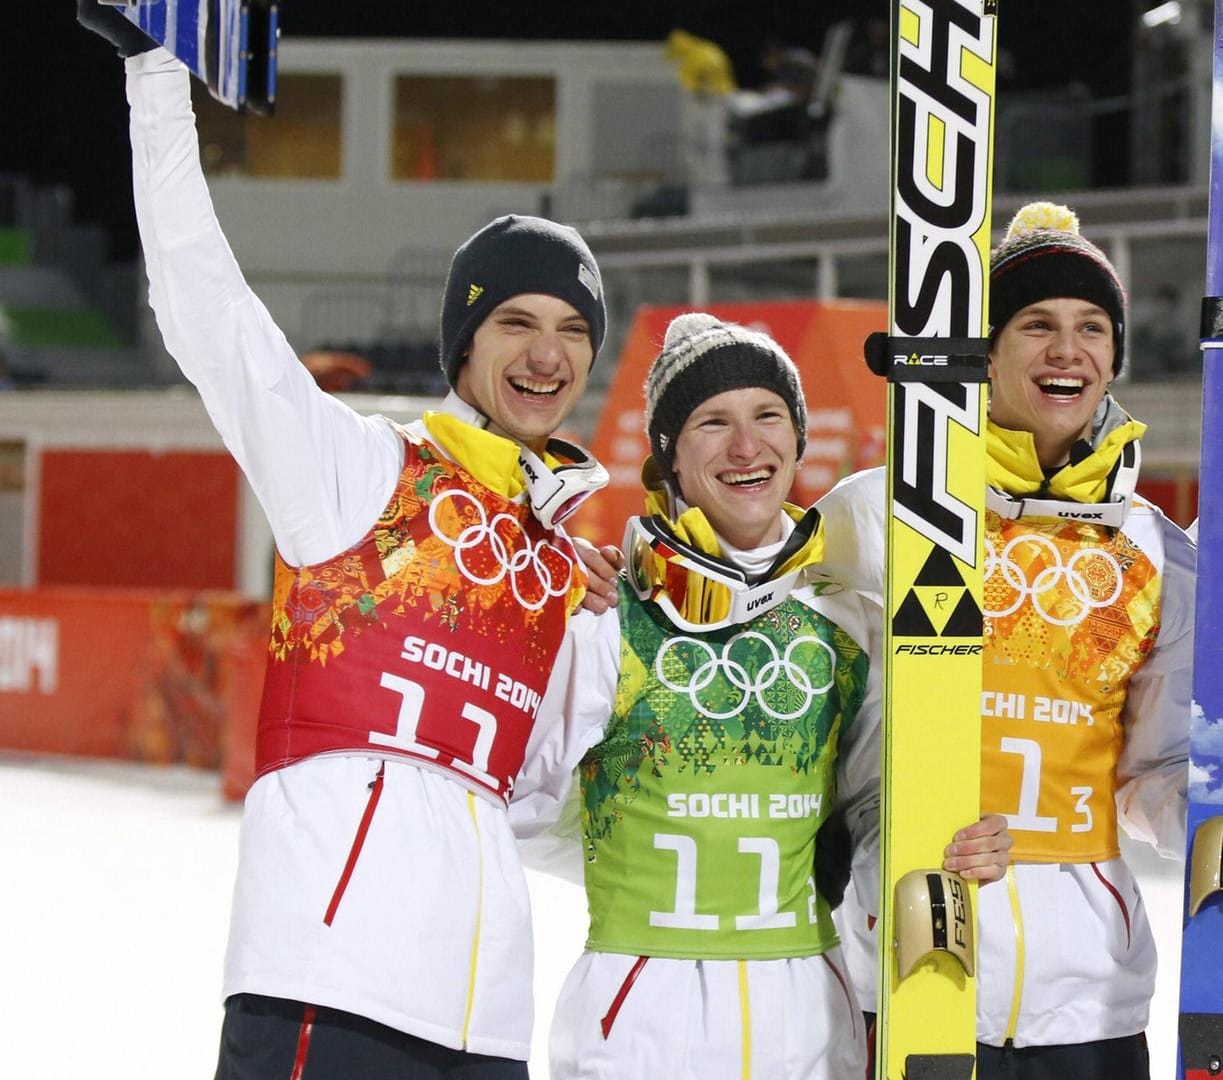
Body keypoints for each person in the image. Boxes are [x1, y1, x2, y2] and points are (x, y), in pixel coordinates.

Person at [79, 5, 617, 1076]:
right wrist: (154, 81)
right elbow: (208, 312)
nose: (547, 354)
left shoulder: (566, 570)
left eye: (572, 332)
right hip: (326, 988)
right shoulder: (361, 475)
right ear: (465, 348)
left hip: (485, 1022)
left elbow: (544, 806)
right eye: (516, 323)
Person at [510, 314, 1013, 1079]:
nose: (747, 447)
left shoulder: (847, 617)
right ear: (669, 459)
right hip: (639, 1023)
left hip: (808, 1019)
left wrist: (948, 840)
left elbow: (875, 799)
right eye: (713, 422)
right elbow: (524, 803)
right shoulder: (609, 612)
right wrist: (639, 851)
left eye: (768, 416)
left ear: (798, 438)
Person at [819, 202, 1215, 1079]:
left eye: (1091, 327)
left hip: (1092, 990)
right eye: (1036, 324)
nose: (1066, 349)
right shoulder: (878, 513)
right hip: (914, 965)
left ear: (1114, 357)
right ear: (987, 352)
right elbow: (796, 695)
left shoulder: (1155, 550)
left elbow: (1158, 767)